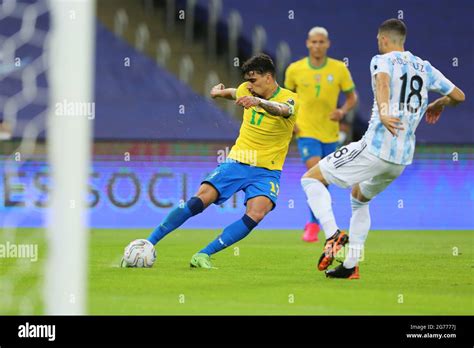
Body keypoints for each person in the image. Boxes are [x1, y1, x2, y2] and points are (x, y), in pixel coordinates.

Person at [300, 18, 465, 278]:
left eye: (379, 40)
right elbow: (459, 95)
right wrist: (439, 103)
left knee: (310, 180)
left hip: (374, 148)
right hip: (400, 159)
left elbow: (383, 82)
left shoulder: (382, 60)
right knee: (359, 198)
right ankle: (351, 265)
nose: (378, 43)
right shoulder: (425, 67)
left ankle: (332, 235)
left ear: (385, 39)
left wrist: (385, 112)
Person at [142, 54, 299, 269]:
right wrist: (218, 92)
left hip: (268, 170)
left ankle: (203, 255)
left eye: (253, 81)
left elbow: (283, 110)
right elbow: (235, 92)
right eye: (248, 82)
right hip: (238, 161)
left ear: (269, 77)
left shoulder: (289, 98)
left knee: (257, 213)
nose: (249, 87)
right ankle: (148, 242)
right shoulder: (247, 89)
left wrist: (259, 102)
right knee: (200, 200)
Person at [285, 26, 358, 243]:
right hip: (306, 131)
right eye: (313, 42)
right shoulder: (294, 69)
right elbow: (286, 97)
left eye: (321, 42)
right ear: (307, 44)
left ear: (327, 44)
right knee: (315, 176)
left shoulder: (339, 69)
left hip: (331, 134)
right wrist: (292, 121)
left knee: (322, 181)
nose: (317, 46)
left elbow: (352, 97)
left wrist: (342, 111)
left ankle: (316, 223)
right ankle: (314, 226)